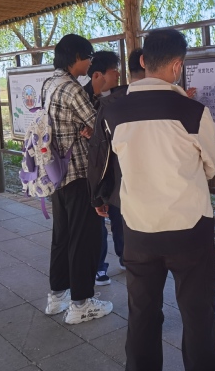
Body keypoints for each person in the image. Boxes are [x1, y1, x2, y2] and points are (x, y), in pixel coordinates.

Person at [90, 29, 215, 370]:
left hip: (138, 230)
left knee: (142, 315)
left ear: (143, 60)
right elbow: (210, 165)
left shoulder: (113, 112)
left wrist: (99, 196)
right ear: (177, 66)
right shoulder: (193, 112)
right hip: (190, 229)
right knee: (198, 315)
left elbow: (102, 162)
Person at [42, 34, 113, 325]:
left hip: (56, 173)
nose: (90, 63)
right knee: (84, 239)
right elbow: (101, 126)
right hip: (78, 174)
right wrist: (92, 129)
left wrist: (86, 129)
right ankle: (81, 303)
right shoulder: (72, 89)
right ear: (76, 58)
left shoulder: (50, 83)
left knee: (62, 236)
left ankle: (57, 296)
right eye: (88, 58)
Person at [90, 49, 145, 286]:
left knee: (119, 218)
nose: (118, 74)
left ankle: (125, 257)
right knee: (100, 225)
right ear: (98, 74)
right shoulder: (90, 99)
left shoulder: (120, 96)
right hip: (101, 170)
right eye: (114, 70)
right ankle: (100, 267)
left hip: (118, 171)